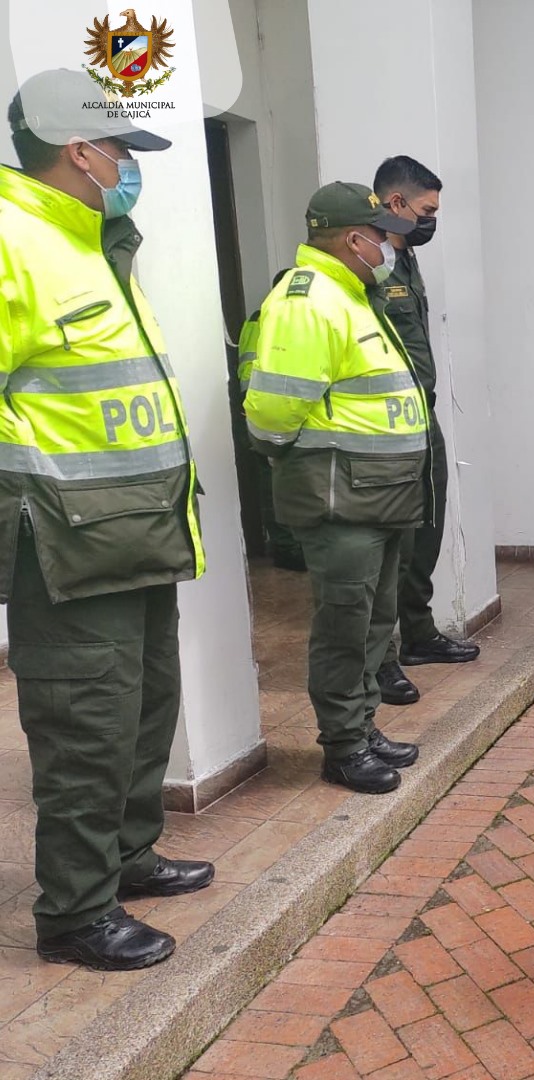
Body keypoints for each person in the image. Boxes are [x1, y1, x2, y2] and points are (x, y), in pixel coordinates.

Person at [1, 69, 214, 971]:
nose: (130, 166)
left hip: (137, 532)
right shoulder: (12, 239)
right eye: (121, 150)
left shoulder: (94, 245)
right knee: (86, 726)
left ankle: (127, 856)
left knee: (142, 708)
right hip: (68, 542)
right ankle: (76, 912)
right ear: (78, 151)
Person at [245, 182, 426, 795]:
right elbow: (272, 414)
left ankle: (363, 726)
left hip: (380, 495)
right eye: (383, 236)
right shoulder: (308, 300)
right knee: (345, 628)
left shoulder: (351, 294)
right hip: (341, 499)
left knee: (375, 623)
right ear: (354, 239)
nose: (390, 247)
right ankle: (343, 747)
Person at [371, 157, 479, 709]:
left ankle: (417, 633)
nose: (432, 219)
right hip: (382, 425)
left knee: (429, 527)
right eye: (427, 209)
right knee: (392, 544)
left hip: (421, 414)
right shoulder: (368, 263)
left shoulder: (405, 259)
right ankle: (381, 659)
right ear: (396, 203)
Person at [237, 269, 306, 572]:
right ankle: (285, 547)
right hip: (263, 412)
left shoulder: (294, 320)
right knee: (272, 483)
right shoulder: (262, 319)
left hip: (291, 413)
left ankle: (294, 545)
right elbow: (249, 370)